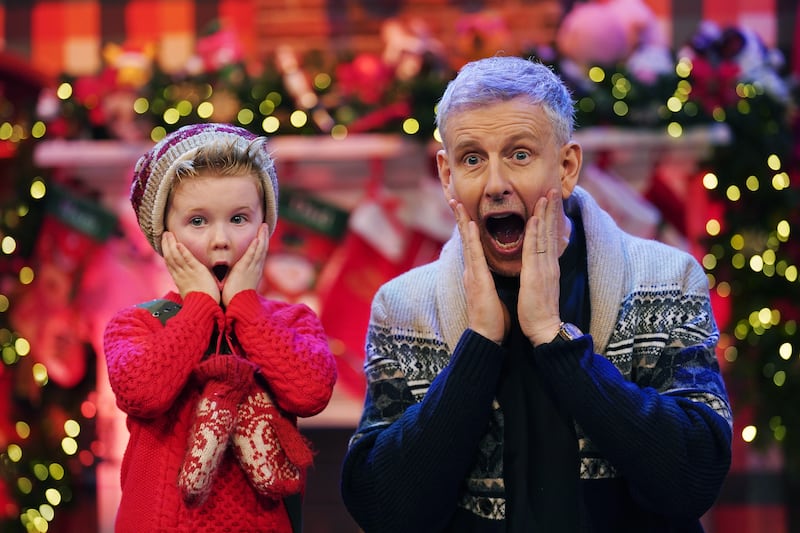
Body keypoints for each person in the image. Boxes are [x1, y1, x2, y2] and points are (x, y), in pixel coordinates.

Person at [340, 56, 732, 533]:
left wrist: (556, 340)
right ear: (446, 176)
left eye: (519, 155)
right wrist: (479, 345)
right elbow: (383, 510)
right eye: (472, 159)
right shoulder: (403, 307)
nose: (497, 185)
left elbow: (692, 478)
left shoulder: (665, 279)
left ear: (567, 166)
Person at [104, 123, 337, 532]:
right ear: (166, 236)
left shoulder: (290, 321)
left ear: (266, 225)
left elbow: (309, 391)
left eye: (239, 218)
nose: (221, 240)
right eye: (197, 221)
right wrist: (199, 306)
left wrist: (246, 307)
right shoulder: (135, 324)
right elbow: (144, 393)